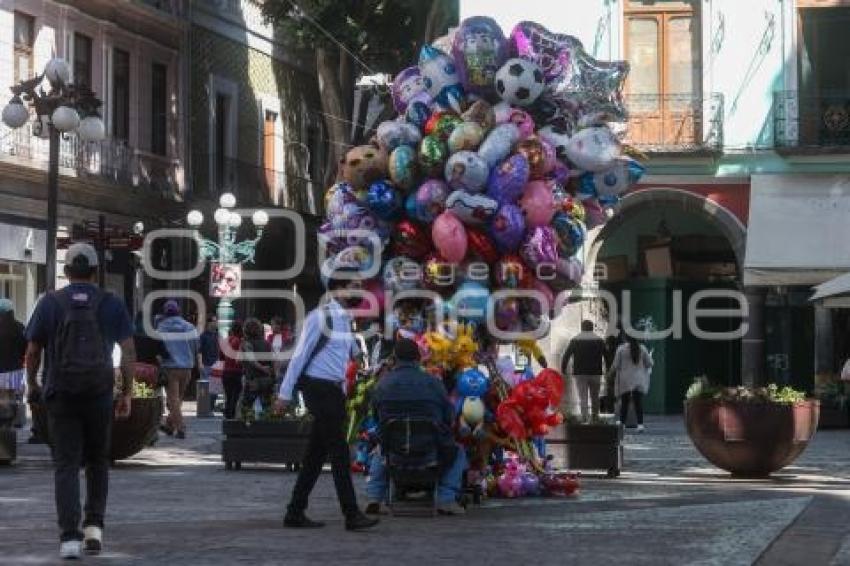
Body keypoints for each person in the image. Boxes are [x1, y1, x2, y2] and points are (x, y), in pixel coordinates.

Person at [24, 243, 135, 559]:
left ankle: (69, 538)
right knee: (98, 461)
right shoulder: (111, 303)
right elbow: (128, 352)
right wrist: (126, 392)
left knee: (66, 464)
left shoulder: (50, 303)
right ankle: (94, 530)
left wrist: (33, 384)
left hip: (61, 394)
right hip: (99, 395)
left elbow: (33, 351)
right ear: (96, 271)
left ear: (67, 271)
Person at [275, 267, 378, 532]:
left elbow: (340, 354)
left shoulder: (344, 319)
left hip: (332, 391)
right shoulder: (320, 318)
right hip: (319, 389)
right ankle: (351, 513)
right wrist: (284, 395)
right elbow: (299, 357)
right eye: (354, 285)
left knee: (315, 456)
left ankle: (295, 511)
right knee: (340, 452)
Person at [365, 338, 467, 516]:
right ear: (419, 358)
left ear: (394, 358)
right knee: (459, 452)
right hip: (430, 452)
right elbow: (448, 417)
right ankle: (445, 498)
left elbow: (376, 418)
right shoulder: (433, 383)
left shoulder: (383, 385)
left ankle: (375, 498)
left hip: (395, 453)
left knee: (379, 450)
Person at [156, 300, 201, 439]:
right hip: (187, 366)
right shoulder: (190, 327)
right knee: (178, 398)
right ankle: (170, 425)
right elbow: (196, 347)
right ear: (179, 312)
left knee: (173, 399)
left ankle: (181, 427)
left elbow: (157, 349)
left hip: (170, 367)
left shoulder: (160, 328)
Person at [561, 320, 609, 422]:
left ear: (582, 328)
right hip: (596, 372)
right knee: (595, 396)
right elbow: (607, 356)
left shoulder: (575, 340)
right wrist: (608, 370)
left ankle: (584, 418)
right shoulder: (599, 340)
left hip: (580, 373)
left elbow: (566, 355)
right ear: (592, 328)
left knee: (583, 396)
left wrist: (563, 368)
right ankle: (595, 417)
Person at [610, 334, 654, 432]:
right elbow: (649, 363)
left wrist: (610, 373)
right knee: (638, 403)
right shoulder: (642, 348)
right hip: (638, 379)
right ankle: (640, 425)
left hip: (624, 379)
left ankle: (622, 424)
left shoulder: (621, 349)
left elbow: (616, 364)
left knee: (624, 402)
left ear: (625, 338)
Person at [240, 318, 274, 418]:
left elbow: (251, 360)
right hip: (267, 379)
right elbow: (275, 360)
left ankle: (246, 429)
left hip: (252, 379)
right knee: (267, 407)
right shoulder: (267, 343)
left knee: (245, 407)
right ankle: (267, 428)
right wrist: (273, 374)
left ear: (246, 330)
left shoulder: (247, 343)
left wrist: (262, 368)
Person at [0, 299, 27, 425]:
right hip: (16, 369)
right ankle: (10, 422)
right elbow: (25, 348)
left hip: (1, 369)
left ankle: (4, 424)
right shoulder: (20, 327)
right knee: (12, 397)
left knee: (2, 397)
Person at [221, 323, 244, 420]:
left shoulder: (227, 340)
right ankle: (231, 414)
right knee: (235, 395)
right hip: (236, 371)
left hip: (226, 371)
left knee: (229, 395)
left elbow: (221, 356)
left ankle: (227, 413)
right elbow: (239, 358)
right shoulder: (239, 342)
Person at [199, 316, 220, 410]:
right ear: (209, 323)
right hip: (206, 364)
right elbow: (199, 351)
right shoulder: (203, 336)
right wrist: (200, 364)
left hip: (216, 365)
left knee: (215, 389)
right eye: (214, 321)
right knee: (205, 388)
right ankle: (204, 407)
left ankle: (211, 407)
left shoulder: (217, 335)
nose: (216, 323)